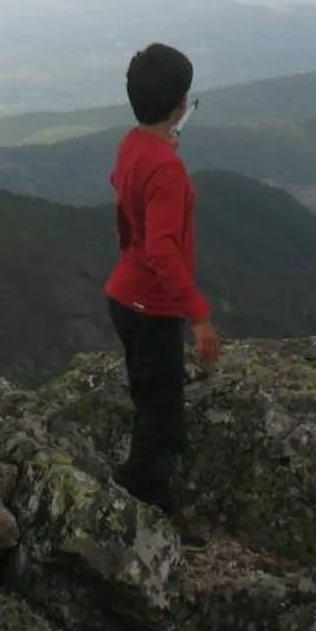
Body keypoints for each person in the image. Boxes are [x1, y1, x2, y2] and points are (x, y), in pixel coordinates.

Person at [105, 41, 220, 537]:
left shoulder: (134, 144)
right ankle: (150, 515)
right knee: (163, 419)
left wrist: (160, 152)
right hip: (151, 306)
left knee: (150, 400)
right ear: (179, 105)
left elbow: (120, 181)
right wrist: (199, 313)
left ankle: (140, 494)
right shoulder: (167, 167)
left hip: (125, 298)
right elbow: (162, 251)